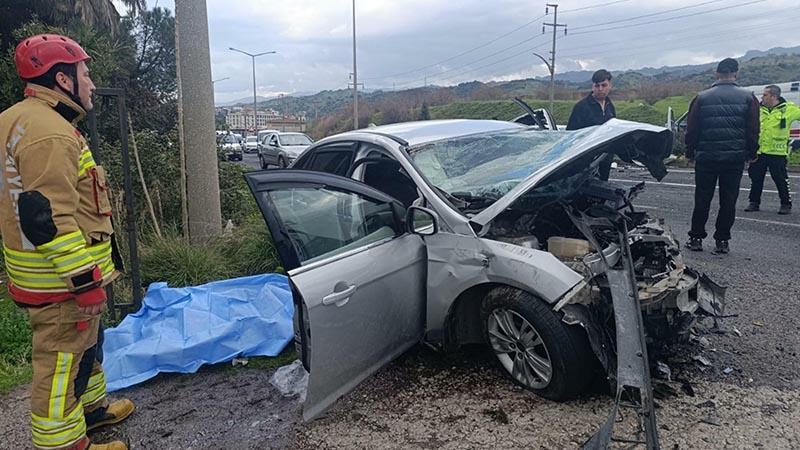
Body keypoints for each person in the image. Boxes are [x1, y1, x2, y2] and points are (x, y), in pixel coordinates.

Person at [0, 34, 134, 450]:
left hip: (50, 275)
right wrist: (85, 281)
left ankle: (91, 411)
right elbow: (48, 219)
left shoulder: (18, 119)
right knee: (60, 364)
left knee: (86, 347)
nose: (91, 83)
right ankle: (64, 443)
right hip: (61, 283)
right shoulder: (51, 133)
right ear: (62, 78)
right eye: (85, 73)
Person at [684, 58, 760, 254]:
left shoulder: (701, 98)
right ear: (736, 74)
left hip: (706, 158)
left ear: (716, 74)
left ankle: (696, 238)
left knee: (702, 198)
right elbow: (753, 130)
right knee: (728, 200)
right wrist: (752, 153)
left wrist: (690, 153)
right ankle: (722, 241)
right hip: (734, 159)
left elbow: (691, 130)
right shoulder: (748, 98)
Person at [744, 84, 800, 214]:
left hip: (777, 152)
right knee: (756, 178)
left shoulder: (788, 109)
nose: (762, 97)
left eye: (765, 94)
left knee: (781, 179)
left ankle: (786, 204)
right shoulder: (757, 110)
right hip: (760, 151)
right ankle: (754, 202)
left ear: (774, 96)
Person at [567, 69, 616, 180]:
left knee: (603, 188)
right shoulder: (581, 107)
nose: (600, 89)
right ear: (592, 86)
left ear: (610, 85)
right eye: (597, 85)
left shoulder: (610, 106)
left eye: (604, 85)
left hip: (605, 156)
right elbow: (571, 134)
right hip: (586, 159)